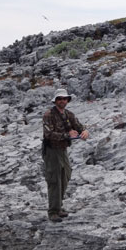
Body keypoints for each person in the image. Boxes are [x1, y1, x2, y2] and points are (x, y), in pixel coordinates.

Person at [42, 89, 89, 222]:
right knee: (54, 179)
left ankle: (59, 207)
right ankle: (53, 211)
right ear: (55, 100)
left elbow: (80, 127)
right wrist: (67, 135)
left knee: (65, 176)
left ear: (67, 100)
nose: (62, 101)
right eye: (59, 98)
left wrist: (85, 132)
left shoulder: (69, 114)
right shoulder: (48, 115)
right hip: (51, 151)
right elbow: (48, 134)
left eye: (64, 98)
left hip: (63, 150)